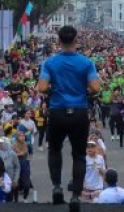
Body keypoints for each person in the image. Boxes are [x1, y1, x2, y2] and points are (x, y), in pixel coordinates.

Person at [37, 25, 100, 204]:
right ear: (76, 40)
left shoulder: (50, 63)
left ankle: (57, 186)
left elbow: (42, 87)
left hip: (57, 111)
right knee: (79, 154)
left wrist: (54, 90)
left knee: (55, 149)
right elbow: (96, 88)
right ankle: (76, 196)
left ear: (59, 41)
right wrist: (84, 91)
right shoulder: (86, 63)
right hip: (79, 111)